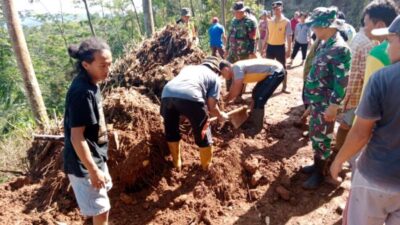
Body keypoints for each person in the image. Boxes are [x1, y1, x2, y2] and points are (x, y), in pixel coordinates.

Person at [330, 15, 400, 225]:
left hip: (376, 177)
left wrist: (338, 160)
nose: (386, 48)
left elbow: (361, 132)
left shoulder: (384, 78)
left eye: (390, 40)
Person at [338, 0, 398, 152]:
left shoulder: (377, 51)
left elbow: (368, 88)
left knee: (348, 130)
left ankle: (339, 156)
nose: (363, 27)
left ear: (379, 26)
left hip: (365, 112)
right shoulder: (377, 47)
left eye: (366, 23)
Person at [64, 37, 113, 225]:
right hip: (84, 163)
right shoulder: (82, 92)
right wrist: (93, 171)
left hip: (95, 156)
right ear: (86, 64)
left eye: (109, 64)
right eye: (102, 65)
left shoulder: (92, 84)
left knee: (100, 206)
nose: (107, 70)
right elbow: (76, 137)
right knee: (101, 211)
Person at [301, 7, 351, 190]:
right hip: (317, 101)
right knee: (316, 134)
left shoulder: (340, 49)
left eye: (314, 26)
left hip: (325, 104)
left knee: (323, 138)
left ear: (326, 26)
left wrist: (333, 105)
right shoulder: (325, 42)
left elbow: (342, 80)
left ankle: (320, 174)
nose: (313, 29)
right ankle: (316, 165)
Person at [161, 56, 228, 171]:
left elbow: (180, 94)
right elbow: (212, 107)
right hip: (191, 96)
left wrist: (188, 113)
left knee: (171, 132)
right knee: (204, 135)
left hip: (166, 94)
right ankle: (206, 167)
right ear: (216, 70)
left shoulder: (189, 69)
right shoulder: (215, 78)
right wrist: (220, 115)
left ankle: (177, 165)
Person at [221, 58, 285, 133]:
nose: (222, 76)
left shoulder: (236, 68)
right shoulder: (235, 69)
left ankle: (256, 128)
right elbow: (233, 86)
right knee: (255, 93)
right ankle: (252, 118)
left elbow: (237, 90)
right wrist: (225, 99)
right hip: (272, 71)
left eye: (222, 74)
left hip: (276, 71)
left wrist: (225, 101)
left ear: (226, 69)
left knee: (259, 98)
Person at [361, 0, 398, 92]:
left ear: (380, 25)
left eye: (365, 24)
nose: (364, 29)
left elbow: (368, 97)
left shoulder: (377, 54)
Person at [262, 1, 293, 93]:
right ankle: (266, 86)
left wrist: (289, 49)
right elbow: (267, 35)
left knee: (282, 67)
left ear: (281, 8)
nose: (276, 10)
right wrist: (263, 47)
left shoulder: (286, 21)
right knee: (268, 68)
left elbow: (289, 36)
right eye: (274, 9)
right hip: (270, 47)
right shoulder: (269, 21)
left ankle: (284, 87)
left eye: (278, 8)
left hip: (280, 47)